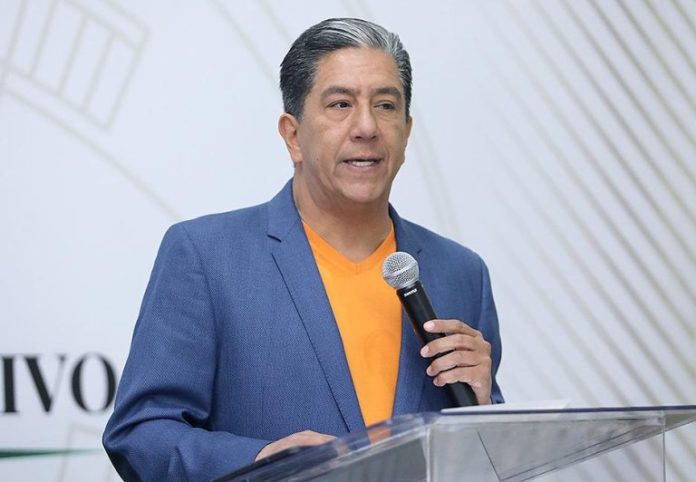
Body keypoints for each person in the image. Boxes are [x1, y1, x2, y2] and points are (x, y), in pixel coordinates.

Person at [103, 17, 503, 481]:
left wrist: (483, 410)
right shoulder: (206, 257)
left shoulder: (461, 272)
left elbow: (487, 460)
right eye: (341, 104)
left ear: (407, 131)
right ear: (293, 135)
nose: (367, 126)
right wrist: (260, 463)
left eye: (385, 105)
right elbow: (140, 434)